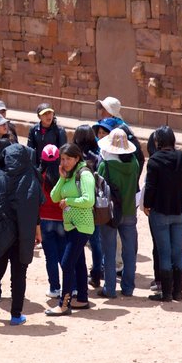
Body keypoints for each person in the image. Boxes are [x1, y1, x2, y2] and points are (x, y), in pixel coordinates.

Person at [0, 143, 42, 325]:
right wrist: (37, 230)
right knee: (19, 275)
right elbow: (37, 206)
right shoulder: (31, 177)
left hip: (2, 233)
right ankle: (15, 315)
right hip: (23, 233)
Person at [143, 126, 182, 303]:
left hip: (161, 212)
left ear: (158, 142)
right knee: (178, 250)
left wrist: (146, 205)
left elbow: (150, 188)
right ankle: (178, 292)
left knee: (164, 252)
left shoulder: (154, 161)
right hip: (180, 211)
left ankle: (167, 294)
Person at [45, 144, 95, 316]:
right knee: (78, 262)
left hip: (82, 226)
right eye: (62, 159)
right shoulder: (69, 175)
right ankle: (82, 298)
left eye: (67, 159)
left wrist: (69, 201)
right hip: (71, 226)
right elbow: (53, 197)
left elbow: (89, 201)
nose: (64, 162)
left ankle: (63, 304)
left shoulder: (85, 174)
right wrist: (62, 178)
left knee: (66, 263)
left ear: (77, 158)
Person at [97, 129, 140, 298]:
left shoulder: (105, 164)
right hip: (129, 210)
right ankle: (128, 287)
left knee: (109, 251)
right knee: (129, 251)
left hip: (110, 213)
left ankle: (110, 288)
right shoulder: (134, 163)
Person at [73, 124, 104, 289]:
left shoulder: (74, 157)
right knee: (95, 242)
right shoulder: (98, 156)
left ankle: (79, 277)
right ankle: (96, 275)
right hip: (94, 205)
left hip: (77, 204)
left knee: (76, 243)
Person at [38, 144, 66, 299]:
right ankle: (72, 286)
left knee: (51, 257)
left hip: (44, 220)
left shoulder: (38, 176)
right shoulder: (64, 175)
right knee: (64, 255)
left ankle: (54, 288)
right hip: (61, 219)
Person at [27, 103, 67, 171]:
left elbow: (63, 151)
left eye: (50, 113)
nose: (48, 116)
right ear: (39, 117)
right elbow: (30, 149)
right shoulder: (34, 129)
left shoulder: (60, 130)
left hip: (54, 166)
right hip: (39, 165)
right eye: (45, 114)